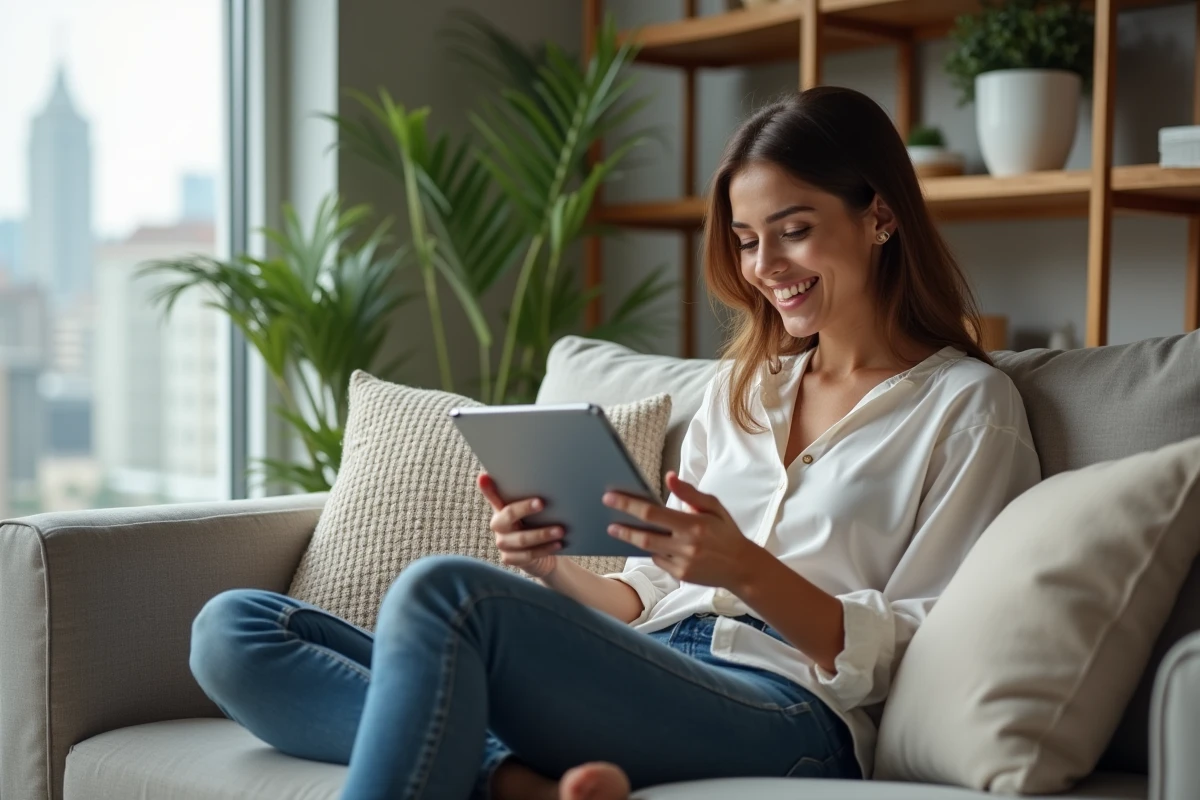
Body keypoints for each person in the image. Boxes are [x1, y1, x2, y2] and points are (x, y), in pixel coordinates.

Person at [189, 86, 1041, 800]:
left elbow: (922, 648)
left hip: (787, 714)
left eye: (794, 228)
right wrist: (551, 569)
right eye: (746, 240)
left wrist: (744, 567)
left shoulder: (968, 409)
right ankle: (515, 782)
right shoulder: (742, 391)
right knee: (235, 629)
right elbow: (643, 595)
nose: (763, 265)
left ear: (880, 215)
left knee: (445, 594)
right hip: (647, 663)